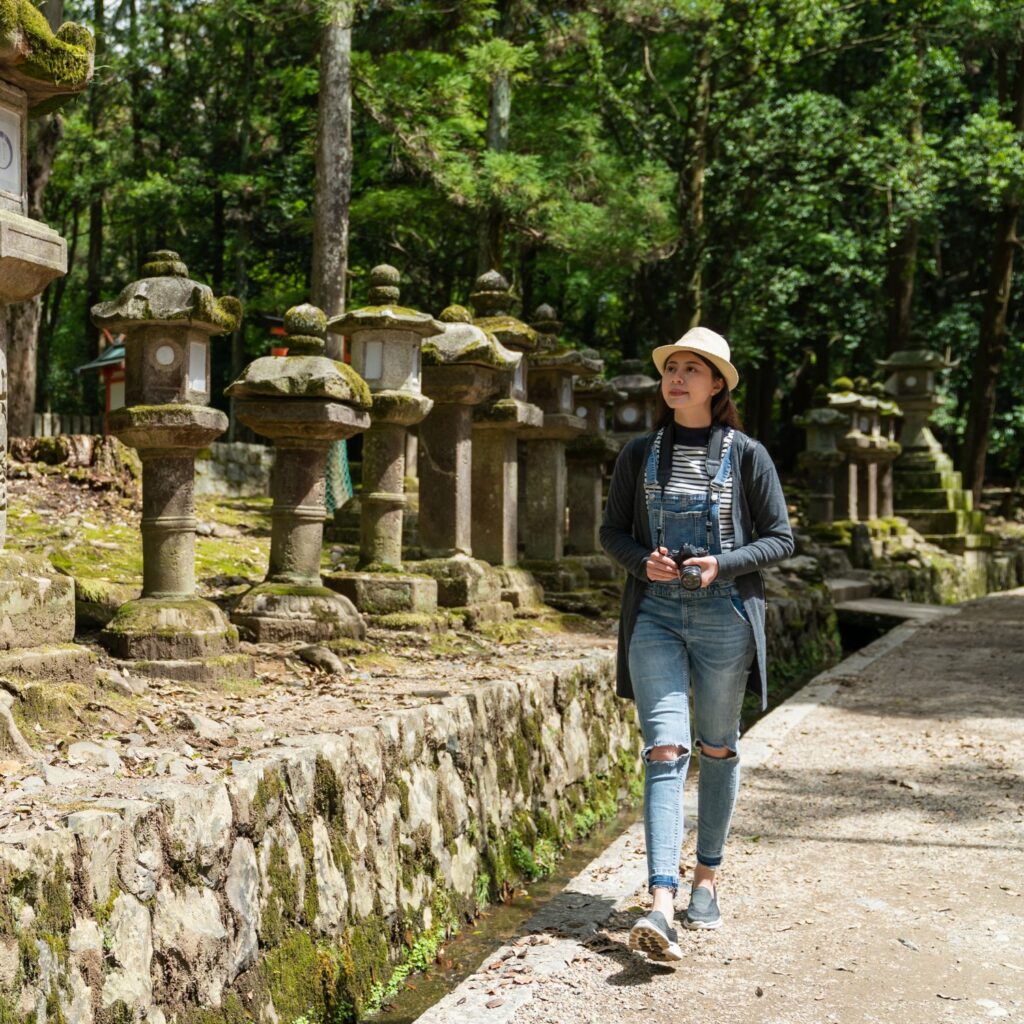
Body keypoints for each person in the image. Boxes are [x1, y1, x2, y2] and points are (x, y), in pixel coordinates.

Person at [599, 327, 793, 960]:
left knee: (717, 746)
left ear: (716, 385)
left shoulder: (748, 456)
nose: (677, 378)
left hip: (725, 618)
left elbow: (781, 538)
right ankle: (661, 902)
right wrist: (642, 562)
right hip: (654, 616)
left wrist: (722, 564)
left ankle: (706, 877)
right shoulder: (638, 455)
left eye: (692, 369)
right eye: (671, 368)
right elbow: (611, 533)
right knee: (664, 749)